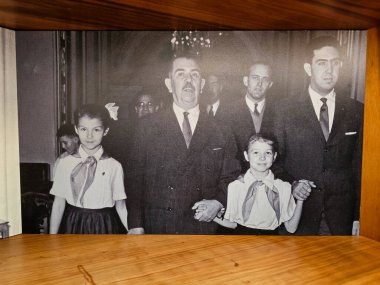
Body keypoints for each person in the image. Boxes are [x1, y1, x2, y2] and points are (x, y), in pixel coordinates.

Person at [127, 52, 240, 234]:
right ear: (169, 84)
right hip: (158, 226)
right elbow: (134, 178)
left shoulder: (222, 130)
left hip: (203, 227)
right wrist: (135, 224)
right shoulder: (147, 126)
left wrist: (219, 202)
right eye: (180, 74)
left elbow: (231, 176)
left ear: (202, 85)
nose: (188, 81)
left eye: (194, 75)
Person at [273, 36, 363, 236]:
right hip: (298, 215)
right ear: (308, 68)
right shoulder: (284, 110)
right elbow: (274, 163)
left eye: (335, 63)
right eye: (321, 63)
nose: (329, 71)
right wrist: (292, 184)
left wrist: (358, 215)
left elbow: (360, 168)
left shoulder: (356, 110)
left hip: (341, 220)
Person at [49, 104, 129, 234]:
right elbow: (58, 203)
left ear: (106, 130)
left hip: (104, 225)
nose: (89, 136)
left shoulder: (114, 166)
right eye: (84, 129)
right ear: (76, 129)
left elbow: (120, 205)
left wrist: (134, 233)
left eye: (96, 130)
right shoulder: (64, 164)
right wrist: (51, 238)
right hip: (72, 223)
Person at [213, 134, 307, 235]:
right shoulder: (235, 187)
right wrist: (212, 216)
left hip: (272, 243)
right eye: (256, 152)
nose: (262, 157)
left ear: (274, 156)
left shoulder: (284, 188)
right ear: (246, 156)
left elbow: (291, 228)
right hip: (241, 241)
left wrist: (300, 200)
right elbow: (233, 224)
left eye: (267, 152)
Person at [225, 61, 277, 172]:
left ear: (270, 84)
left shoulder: (280, 112)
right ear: (246, 81)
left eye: (265, 79)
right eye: (255, 77)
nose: (259, 83)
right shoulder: (226, 112)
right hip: (236, 180)